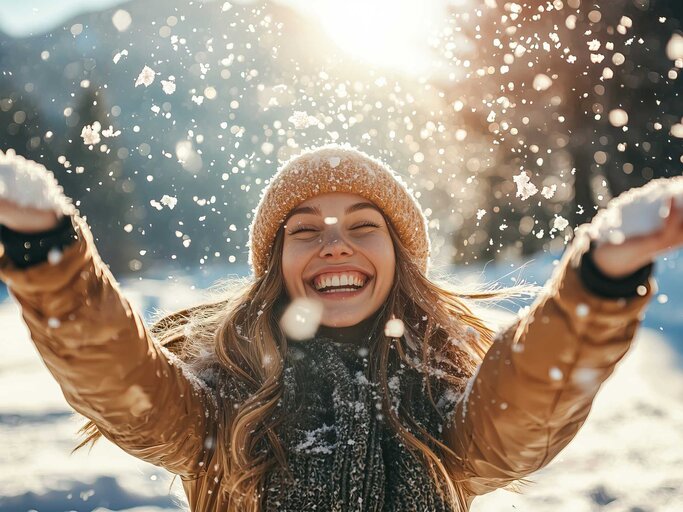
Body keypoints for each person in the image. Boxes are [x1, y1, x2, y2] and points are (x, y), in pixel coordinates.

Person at [0, 144, 680, 512]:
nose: (334, 244)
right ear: (275, 269)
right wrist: (50, 260)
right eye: (305, 232)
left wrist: (599, 279)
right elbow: (120, 380)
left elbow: (528, 402)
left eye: (362, 227)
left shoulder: (440, 403)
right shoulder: (226, 407)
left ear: (398, 264)